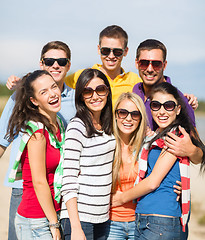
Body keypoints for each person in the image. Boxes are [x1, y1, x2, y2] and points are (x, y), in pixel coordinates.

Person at [0, 41, 76, 240]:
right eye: (50, 61)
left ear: (69, 65)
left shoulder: (60, 116)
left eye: (61, 61)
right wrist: (54, 224)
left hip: (53, 202)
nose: (55, 65)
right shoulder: (36, 130)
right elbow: (2, 141)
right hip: (32, 205)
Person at [112, 82, 205, 240]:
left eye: (168, 106)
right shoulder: (158, 136)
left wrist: (120, 198)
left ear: (178, 109)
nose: (162, 111)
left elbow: (153, 182)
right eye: (156, 105)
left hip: (160, 220)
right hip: (150, 219)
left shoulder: (175, 137)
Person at [6, 70, 65, 239]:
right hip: (36, 220)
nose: (52, 94)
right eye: (43, 92)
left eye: (53, 87)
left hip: (51, 213)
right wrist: (54, 223)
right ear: (34, 101)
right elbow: (39, 181)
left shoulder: (58, 123)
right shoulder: (37, 131)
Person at [60, 68, 116, 240]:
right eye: (87, 91)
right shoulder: (77, 126)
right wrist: (76, 227)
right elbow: (68, 179)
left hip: (103, 217)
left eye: (100, 89)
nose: (95, 96)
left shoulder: (109, 126)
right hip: (79, 218)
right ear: (80, 96)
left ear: (107, 91)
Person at [64, 25, 142, 106]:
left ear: (125, 51)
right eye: (105, 51)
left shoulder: (134, 81)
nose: (111, 56)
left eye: (117, 52)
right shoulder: (80, 76)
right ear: (99, 49)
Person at [106, 92, 147, 239]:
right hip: (111, 223)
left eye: (135, 114)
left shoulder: (147, 148)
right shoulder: (106, 145)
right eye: (123, 112)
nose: (128, 118)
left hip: (140, 223)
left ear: (140, 118)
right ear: (116, 115)